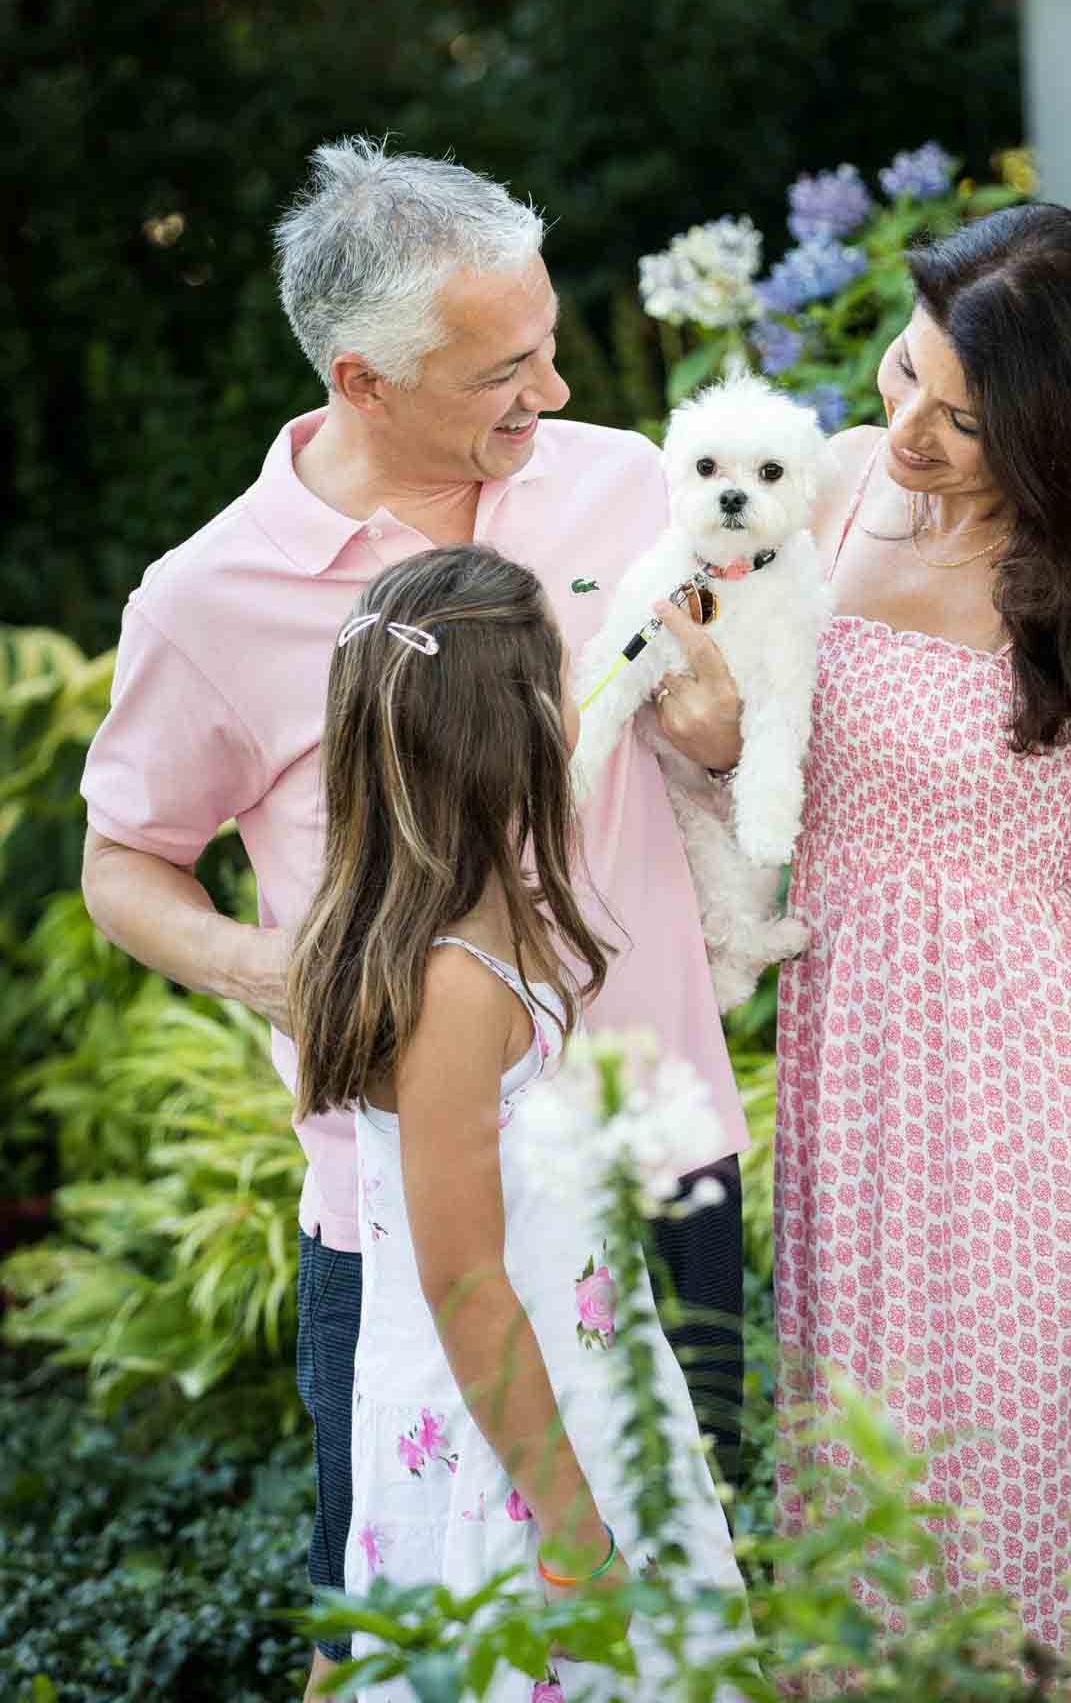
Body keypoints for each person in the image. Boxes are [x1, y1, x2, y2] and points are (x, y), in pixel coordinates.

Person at [78, 139, 748, 1698]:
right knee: (413, 1628)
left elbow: (723, 742)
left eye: (552, 348)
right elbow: (124, 868)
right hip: (399, 1212)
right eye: (501, 372)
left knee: (682, 1623)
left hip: (658, 1155)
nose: (556, 397)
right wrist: (285, 971)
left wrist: (715, 731)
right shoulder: (205, 600)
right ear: (360, 380)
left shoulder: (631, 486)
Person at [773, 203, 1071, 1699]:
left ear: (1058, 432)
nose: (907, 429)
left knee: (1020, 1480)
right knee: (854, 1472)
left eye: (963, 423)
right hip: (841, 1086)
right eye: (906, 374)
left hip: (1031, 1092)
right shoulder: (823, 487)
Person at [289, 543, 744, 1702]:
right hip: (510, 1455)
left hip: (579, 1391)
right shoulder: (451, 984)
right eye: (560, 670)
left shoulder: (500, 920)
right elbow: (466, 1288)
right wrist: (577, 1532)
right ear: (520, 727)